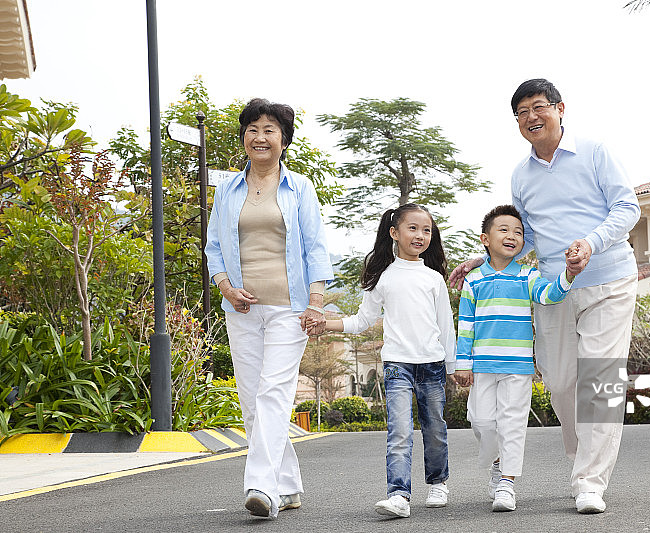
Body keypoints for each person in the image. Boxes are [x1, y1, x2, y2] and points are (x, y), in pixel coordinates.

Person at [449, 79, 640, 514]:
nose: (531, 117)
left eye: (539, 107)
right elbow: (526, 235)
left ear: (560, 109)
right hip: (552, 286)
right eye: (522, 112)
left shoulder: (594, 152)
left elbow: (628, 208)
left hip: (608, 278)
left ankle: (590, 480)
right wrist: (485, 261)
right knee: (558, 381)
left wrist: (591, 243)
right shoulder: (521, 174)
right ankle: (583, 455)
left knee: (601, 378)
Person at [205, 98, 333, 519]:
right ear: (244, 137)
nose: (260, 137)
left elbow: (315, 247)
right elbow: (215, 248)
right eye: (253, 129)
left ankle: (261, 486)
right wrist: (226, 287)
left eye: (270, 130)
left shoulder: (300, 189)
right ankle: (289, 484)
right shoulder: (226, 189)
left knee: (273, 393)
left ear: (284, 140)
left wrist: (315, 302)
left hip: (289, 308)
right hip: (241, 308)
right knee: (251, 400)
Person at [309, 203, 455, 519]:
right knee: (399, 431)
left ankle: (438, 482)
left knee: (435, 430)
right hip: (397, 366)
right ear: (394, 232)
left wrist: (453, 367)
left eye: (426, 230)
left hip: (432, 365)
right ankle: (399, 495)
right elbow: (362, 320)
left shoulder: (434, 279)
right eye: (412, 228)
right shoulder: (383, 277)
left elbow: (446, 327)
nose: (420, 235)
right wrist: (326, 323)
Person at [454, 205, 579, 513]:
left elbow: (550, 295)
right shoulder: (473, 281)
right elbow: (466, 324)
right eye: (504, 230)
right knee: (481, 421)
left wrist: (568, 275)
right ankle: (497, 464)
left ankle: (507, 483)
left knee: (512, 424)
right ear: (485, 238)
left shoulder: (527, 275)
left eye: (519, 232)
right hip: (482, 367)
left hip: (518, 366)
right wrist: (462, 363)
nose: (512, 236)